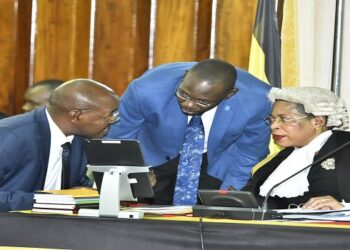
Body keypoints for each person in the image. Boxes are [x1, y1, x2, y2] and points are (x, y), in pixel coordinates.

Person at [107, 59, 272, 205]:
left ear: (229, 94)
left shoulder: (258, 101)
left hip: (216, 159)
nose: (189, 105)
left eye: (202, 101)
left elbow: (249, 153)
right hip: (155, 153)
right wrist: (135, 171)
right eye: (183, 94)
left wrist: (229, 193)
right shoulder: (145, 89)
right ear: (184, 76)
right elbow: (119, 137)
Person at [0, 79, 119, 211]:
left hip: (54, 223)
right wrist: (49, 199)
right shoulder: (11, 135)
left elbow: (77, 190)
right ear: (77, 116)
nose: (114, 120)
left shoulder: (80, 138)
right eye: (110, 115)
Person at [244, 87, 350, 210]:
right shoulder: (278, 159)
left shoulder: (345, 147)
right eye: (272, 119)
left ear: (317, 121)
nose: (274, 126)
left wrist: (343, 208)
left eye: (285, 119)